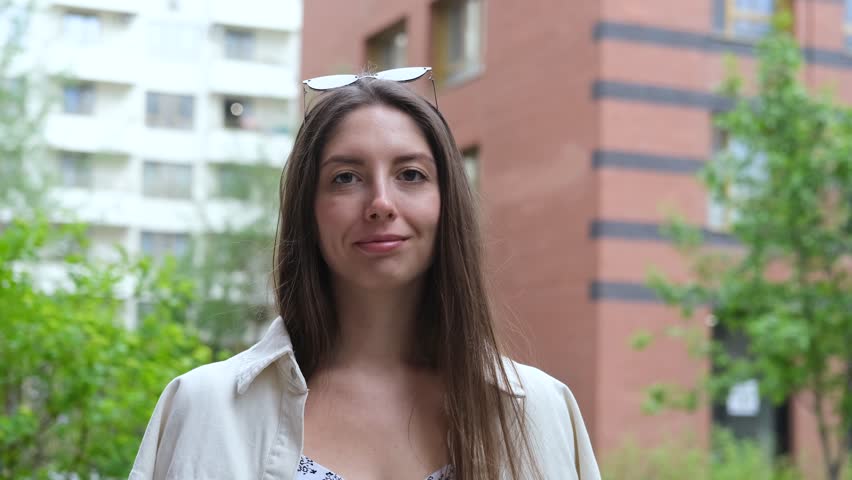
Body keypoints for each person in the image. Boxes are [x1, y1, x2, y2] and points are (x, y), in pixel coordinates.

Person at [129, 67, 600, 480]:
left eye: (410, 174)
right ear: (308, 212)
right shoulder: (205, 409)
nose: (380, 204)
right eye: (346, 177)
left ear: (447, 202)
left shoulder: (540, 411)